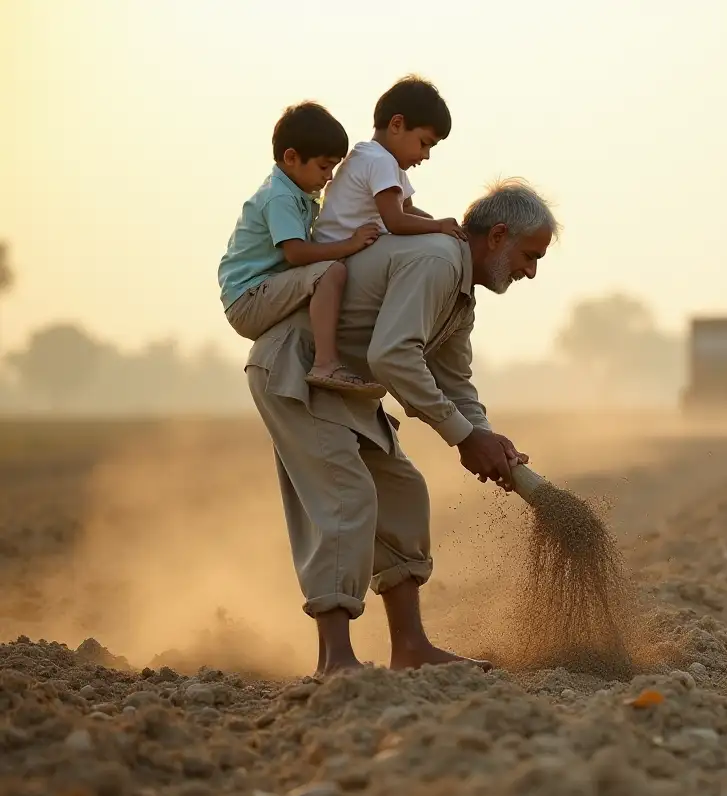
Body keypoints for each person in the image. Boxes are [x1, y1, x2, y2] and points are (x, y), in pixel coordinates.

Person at [244, 178, 558, 676]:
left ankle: (410, 648)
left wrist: (485, 436)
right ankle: (336, 659)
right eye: (530, 255)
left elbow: (455, 380)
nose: (531, 271)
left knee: (403, 492)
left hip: (346, 386)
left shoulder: (460, 295)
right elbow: (391, 355)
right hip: (297, 370)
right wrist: (463, 436)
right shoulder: (435, 260)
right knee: (347, 498)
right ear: (498, 235)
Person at [218, 102, 386, 398]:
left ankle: (347, 390)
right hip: (248, 297)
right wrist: (350, 244)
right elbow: (295, 253)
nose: (330, 176)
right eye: (324, 166)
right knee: (330, 273)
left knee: (334, 286)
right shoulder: (279, 197)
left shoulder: (299, 193)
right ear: (292, 157)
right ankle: (325, 364)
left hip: (264, 290)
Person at [313, 75, 468, 252]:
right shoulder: (380, 161)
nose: (426, 155)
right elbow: (396, 222)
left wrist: (435, 224)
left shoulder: (377, 157)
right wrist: (438, 226)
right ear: (396, 124)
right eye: (424, 143)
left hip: (342, 249)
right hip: (336, 253)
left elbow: (406, 208)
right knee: (424, 251)